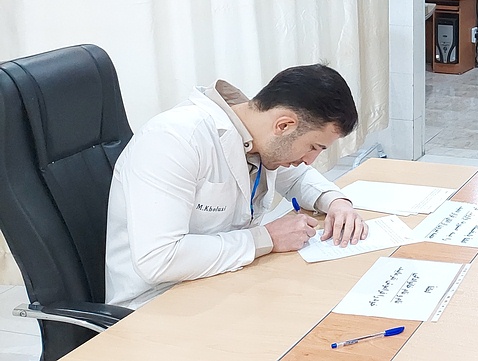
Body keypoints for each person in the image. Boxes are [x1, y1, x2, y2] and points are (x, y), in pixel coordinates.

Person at [105, 64, 369, 309]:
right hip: (157, 303)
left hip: (222, 283)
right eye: (313, 147)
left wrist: (336, 202)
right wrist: (266, 238)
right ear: (284, 125)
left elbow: (299, 177)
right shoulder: (174, 140)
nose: (310, 160)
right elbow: (159, 259)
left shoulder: (256, 135)